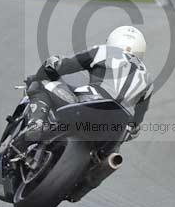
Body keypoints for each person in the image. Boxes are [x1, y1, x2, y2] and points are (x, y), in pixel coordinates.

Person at [18, 26, 153, 146]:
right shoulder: (147, 77)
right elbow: (136, 124)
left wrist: (42, 74)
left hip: (91, 104)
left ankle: (36, 124)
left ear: (112, 41)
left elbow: (62, 65)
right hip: (117, 127)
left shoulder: (104, 51)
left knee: (41, 84)